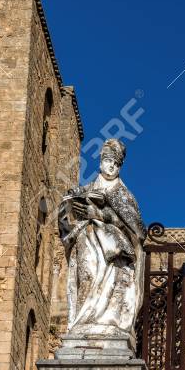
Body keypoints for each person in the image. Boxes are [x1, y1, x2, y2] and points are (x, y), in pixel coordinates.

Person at [58, 139, 146, 347]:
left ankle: (108, 324)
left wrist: (101, 213)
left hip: (115, 253)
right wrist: (70, 206)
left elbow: (138, 231)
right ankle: (84, 324)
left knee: (113, 290)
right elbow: (65, 219)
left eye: (116, 163)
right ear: (100, 162)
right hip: (87, 243)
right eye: (108, 161)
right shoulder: (84, 190)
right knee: (86, 278)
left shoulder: (124, 195)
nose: (111, 166)